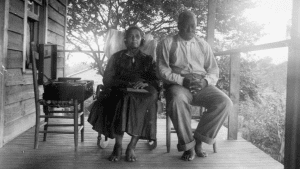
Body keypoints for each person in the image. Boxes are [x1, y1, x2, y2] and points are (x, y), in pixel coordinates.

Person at [156, 10, 233, 161]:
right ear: (178, 26)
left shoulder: (203, 44)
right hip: (178, 84)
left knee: (225, 102)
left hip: (201, 85)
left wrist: (205, 81)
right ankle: (188, 146)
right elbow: (162, 70)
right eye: (186, 26)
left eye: (194, 26)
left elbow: (213, 70)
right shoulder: (167, 43)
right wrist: (182, 80)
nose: (191, 30)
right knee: (177, 100)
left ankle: (198, 140)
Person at [88, 26, 158, 162]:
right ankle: (118, 145)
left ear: (141, 40)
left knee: (149, 98)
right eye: (131, 36)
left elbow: (155, 79)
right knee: (122, 98)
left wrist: (146, 83)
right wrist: (125, 85)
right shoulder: (116, 57)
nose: (134, 39)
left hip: (142, 93)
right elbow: (107, 79)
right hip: (120, 90)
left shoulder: (147, 60)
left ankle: (132, 146)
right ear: (125, 40)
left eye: (137, 36)